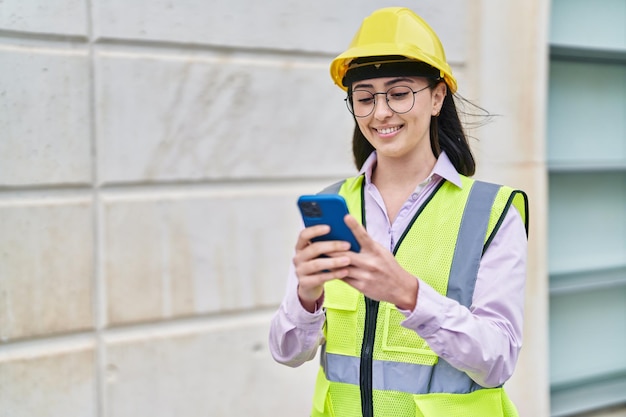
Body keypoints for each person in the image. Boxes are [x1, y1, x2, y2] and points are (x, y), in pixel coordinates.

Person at [269, 7, 529, 417]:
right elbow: (286, 352)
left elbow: (497, 360)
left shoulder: (491, 212)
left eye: (399, 92)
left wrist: (409, 295)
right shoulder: (335, 204)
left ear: (437, 96)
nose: (381, 113)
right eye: (365, 97)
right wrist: (306, 295)